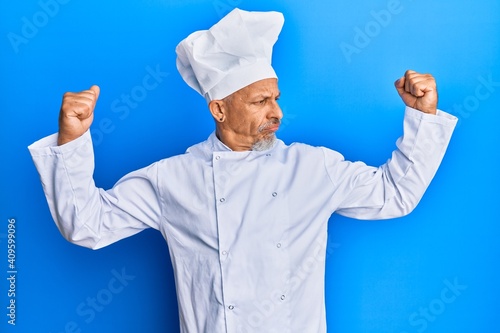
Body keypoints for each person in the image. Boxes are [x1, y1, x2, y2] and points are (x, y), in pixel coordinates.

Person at [28, 8, 457, 333]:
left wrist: (423, 116)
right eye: (260, 102)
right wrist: (72, 141)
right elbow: (87, 225)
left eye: (275, 98)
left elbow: (394, 195)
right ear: (218, 108)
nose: (277, 113)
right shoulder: (171, 179)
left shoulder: (313, 167)